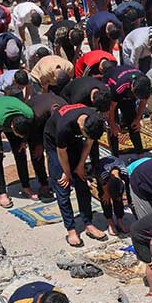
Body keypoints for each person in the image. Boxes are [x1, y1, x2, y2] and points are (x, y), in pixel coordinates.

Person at [45, 103, 108, 247]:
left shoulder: (93, 121)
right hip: (55, 143)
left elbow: (89, 143)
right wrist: (67, 173)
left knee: (82, 179)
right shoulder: (64, 127)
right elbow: (61, 152)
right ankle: (71, 230)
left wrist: (80, 166)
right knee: (63, 185)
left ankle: (88, 223)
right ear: (82, 128)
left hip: (75, 141)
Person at [104, 64, 152, 158]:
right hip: (112, 89)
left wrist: (138, 119)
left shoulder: (145, 84)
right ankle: (115, 157)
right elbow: (111, 107)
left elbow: (143, 102)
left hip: (127, 93)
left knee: (133, 122)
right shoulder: (119, 86)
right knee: (113, 129)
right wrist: (113, 124)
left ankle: (140, 154)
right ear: (132, 87)